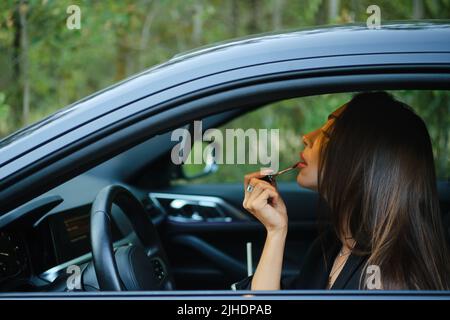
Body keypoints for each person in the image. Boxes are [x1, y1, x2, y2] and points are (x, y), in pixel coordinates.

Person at [234, 91, 450, 290]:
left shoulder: (391, 276)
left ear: (362, 161)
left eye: (327, 135)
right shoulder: (329, 247)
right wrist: (275, 231)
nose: (307, 137)